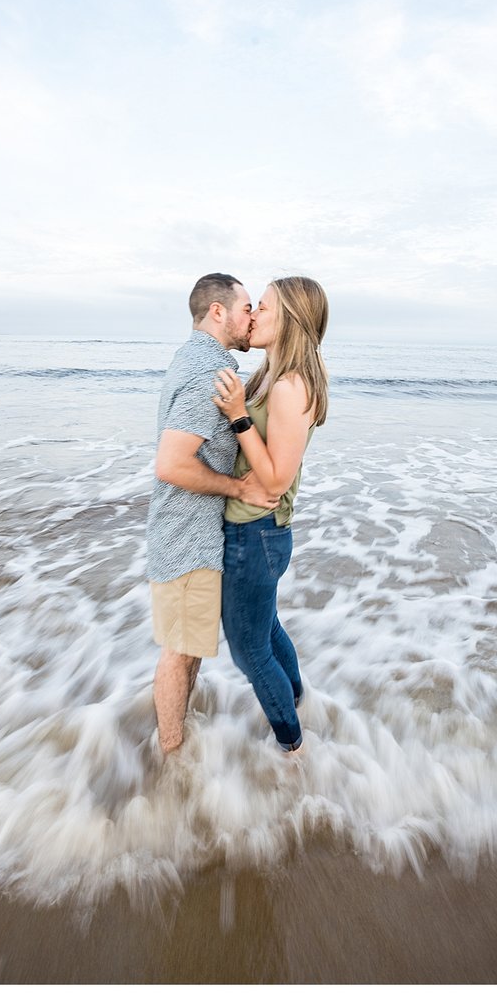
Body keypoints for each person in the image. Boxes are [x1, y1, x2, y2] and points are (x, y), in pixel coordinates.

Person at [147, 272, 276, 756]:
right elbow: (172, 463)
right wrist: (236, 485)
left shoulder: (196, 358)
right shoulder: (209, 373)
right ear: (218, 312)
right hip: (188, 539)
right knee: (180, 654)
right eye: (247, 307)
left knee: (186, 648)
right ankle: (172, 758)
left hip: (183, 534)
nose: (252, 317)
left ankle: (173, 740)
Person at [213, 276, 330, 755]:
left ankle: (293, 747)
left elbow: (278, 479)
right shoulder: (271, 374)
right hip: (262, 533)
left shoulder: (289, 386)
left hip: (255, 532)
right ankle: (298, 700)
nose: (253, 314)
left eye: (262, 306)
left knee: (248, 649)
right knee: (267, 629)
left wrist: (239, 416)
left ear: (289, 320)